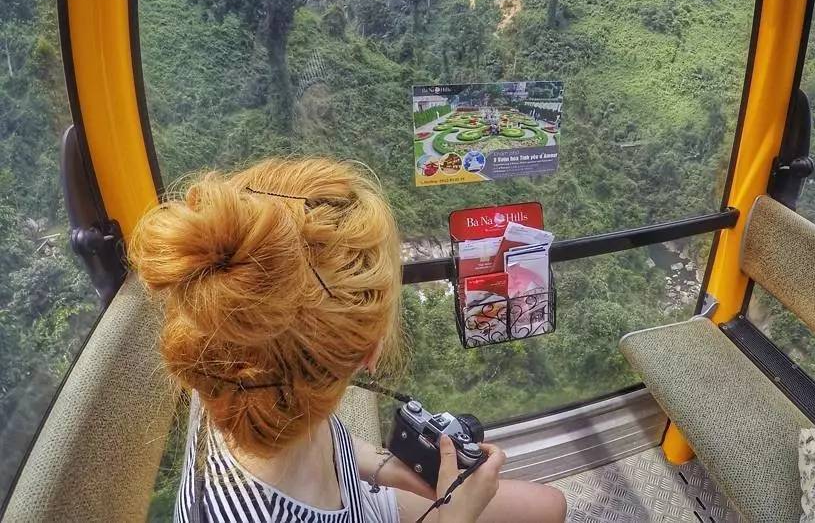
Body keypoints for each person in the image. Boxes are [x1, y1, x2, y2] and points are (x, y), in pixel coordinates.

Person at [129, 158, 566, 523]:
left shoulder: (231, 353)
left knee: (550, 505)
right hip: (336, 506)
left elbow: (331, 441)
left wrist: (394, 469)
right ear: (368, 354)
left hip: (346, 495)